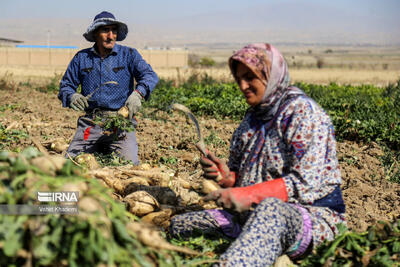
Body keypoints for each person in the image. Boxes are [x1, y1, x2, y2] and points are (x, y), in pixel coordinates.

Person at [169, 43, 346, 266]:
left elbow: (305, 183)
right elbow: (239, 180)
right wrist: (228, 178)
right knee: (181, 226)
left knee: (270, 211)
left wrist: (249, 195)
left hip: (308, 219)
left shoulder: (303, 114)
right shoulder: (251, 120)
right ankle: (263, 251)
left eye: (250, 77)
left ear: (270, 74)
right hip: (250, 216)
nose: (243, 86)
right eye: (238, 79)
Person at [58, 11, 158, 164]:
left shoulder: (129, 55)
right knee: (71, 162)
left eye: (114, 31)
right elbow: (66, 86)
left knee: (129, 165)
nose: (111, 35)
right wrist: (72, 96)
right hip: (90, 124)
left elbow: (150, 76)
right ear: (95, 33)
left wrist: (139, 93)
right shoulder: (81, 58)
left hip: (121, 124)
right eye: (105, 30)